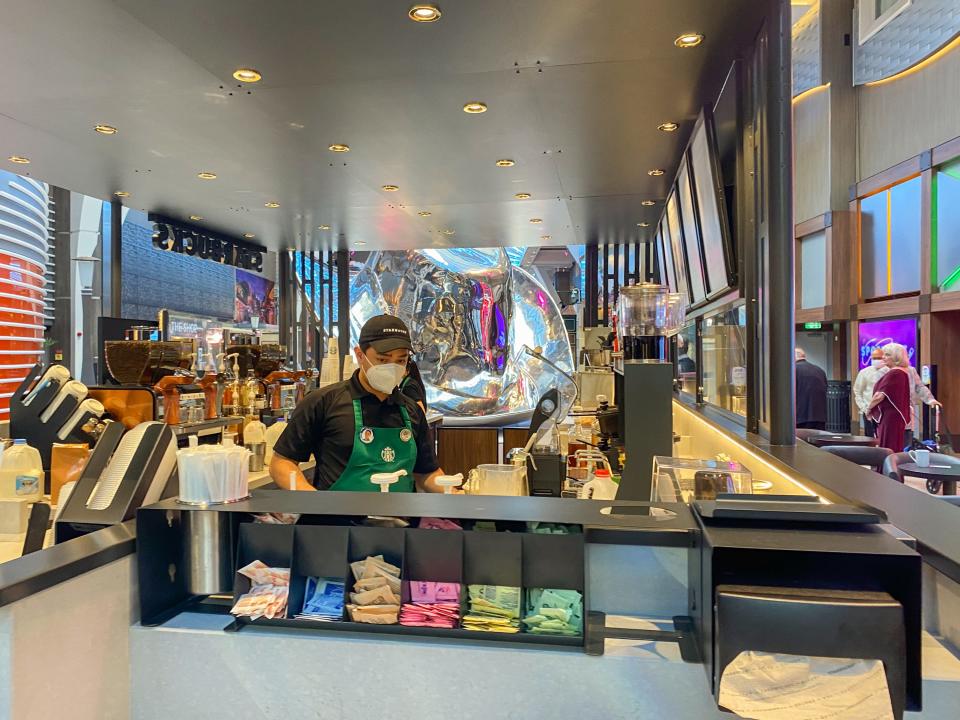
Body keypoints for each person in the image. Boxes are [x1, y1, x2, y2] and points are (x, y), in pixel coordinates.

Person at [269, 314, 448, 492]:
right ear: (360, 355)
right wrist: (313, 501)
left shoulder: (411, 411)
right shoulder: (323, 403)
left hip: (400, 519)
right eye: (383, 360)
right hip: (338, 519)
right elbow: (281, 463)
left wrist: (456, 494)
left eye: (400, 360)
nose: (392, 367)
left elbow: (427, 474)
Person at [867, 343, 912, 453]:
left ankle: (886, 468)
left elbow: (879, 395)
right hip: (894, 417)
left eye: (887, 355)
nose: (883, 357)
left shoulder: (895, 373)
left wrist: (868, 409)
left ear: (896, 357)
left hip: (890, 417)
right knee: (893, 445)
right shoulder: (902, 372)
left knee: (888, 445)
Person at [897, 352, 941, 447]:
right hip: (891, 414)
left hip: (907, 413)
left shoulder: (911, 370)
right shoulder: (884, 371)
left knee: (906, 443)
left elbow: (920, 387)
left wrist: (930, 400)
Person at [854, 348, 887, 437]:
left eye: (879, 358)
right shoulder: (864, 372)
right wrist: (864, 408)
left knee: (884, 436)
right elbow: (858, 392)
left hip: (885, 411)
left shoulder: (889, 371)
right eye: (874, 358)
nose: (876, 361)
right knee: (870, 437)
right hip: (869, 410)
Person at [795, 347, 828, 430]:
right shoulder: (820, 370)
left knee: (801, 442)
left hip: (800, 416)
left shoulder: (793, 370)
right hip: (819, 416)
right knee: (817, 440)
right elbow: (826, 389)